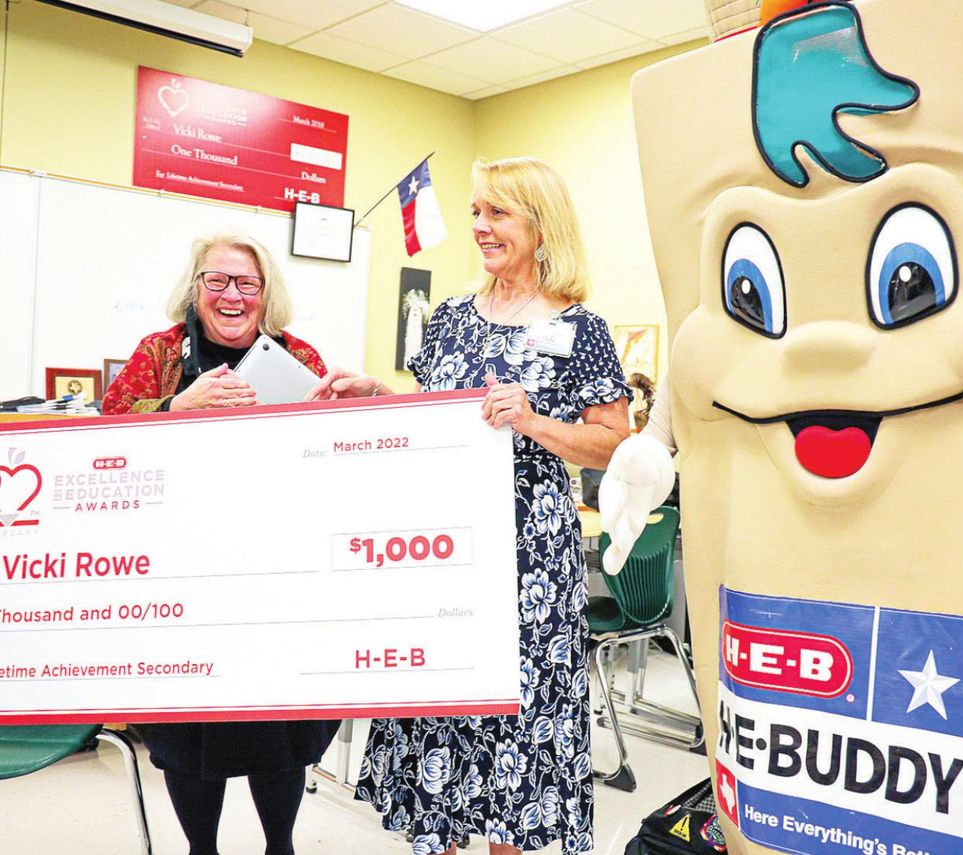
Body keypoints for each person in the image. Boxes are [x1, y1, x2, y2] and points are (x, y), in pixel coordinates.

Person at [307, 156, 632, 854]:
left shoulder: (583, 329)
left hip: (532, 567)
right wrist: (379, 396)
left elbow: (613, 445)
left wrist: (536, 420)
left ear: (540, 226)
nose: (479, 227)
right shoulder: (450, 316)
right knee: (443, 720)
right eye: (476, 211)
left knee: (514, 727)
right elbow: (438, 421)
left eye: (497, 213)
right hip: (448, 551)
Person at [102, 232, 340, 855]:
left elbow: (335, 451)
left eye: (247, 284)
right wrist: (176, 407)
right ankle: (200, 849)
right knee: (186, 727)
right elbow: (106, 437)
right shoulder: (159, 354)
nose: (232, 296)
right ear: (195, 288)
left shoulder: (298, 355)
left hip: (276, 573)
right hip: (181, 575)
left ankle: (279, 846)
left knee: (279, 721)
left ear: (267, 295)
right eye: (217, 281)